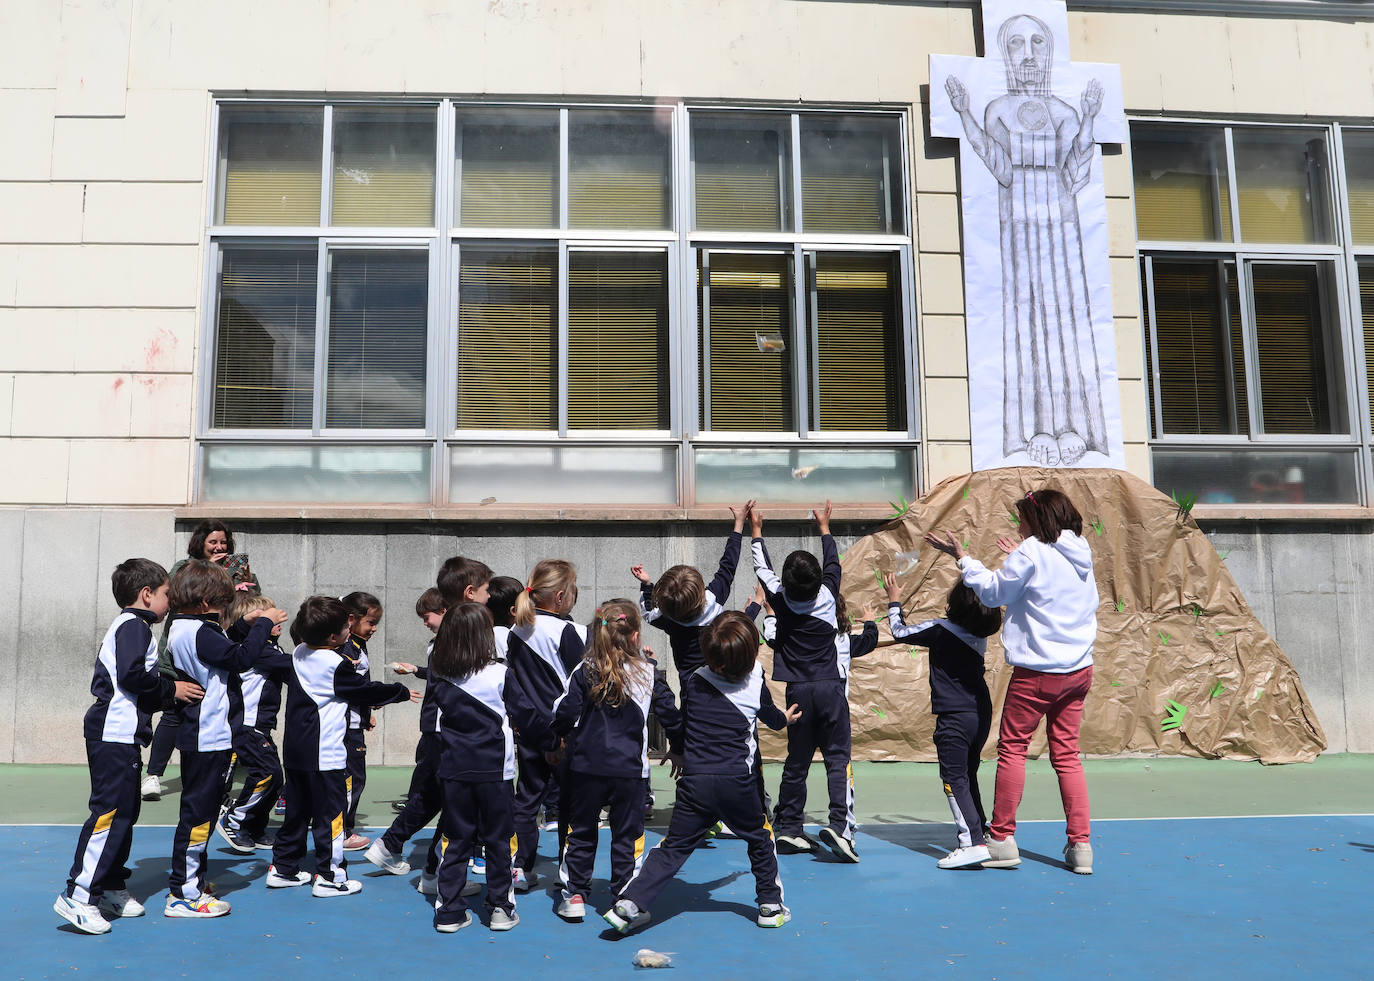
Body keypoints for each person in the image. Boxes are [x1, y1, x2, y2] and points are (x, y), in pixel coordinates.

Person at [925, 487, 1098, 874]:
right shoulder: (1079, 551)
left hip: (1038, 673)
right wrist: (1016, 554)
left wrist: (963, 558)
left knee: (1013, 750)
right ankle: (1081, 845)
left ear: (1036, 521)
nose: (1019, 525)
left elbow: (992, 591)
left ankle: (1001, 840)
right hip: (1079, 670)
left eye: (1022, 519)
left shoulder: (1031, 552)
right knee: (1067, 757)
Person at [603, 612, 800, 934]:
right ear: (751, 655)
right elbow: (770, 716)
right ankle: (770, 905)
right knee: (760, 839)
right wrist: (785, 719)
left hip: (695, 782)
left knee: (673, 848)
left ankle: (630, 903)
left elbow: (686, 720)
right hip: (738, 782)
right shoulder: (755, 678)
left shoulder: (695, 681)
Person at [55, 559, 205, 935]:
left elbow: (138, 685)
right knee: (109, 813)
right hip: (113, 735)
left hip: (124, 735)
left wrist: (168, 694)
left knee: (126, 811)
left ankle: (109, 885)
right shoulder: (134, 627)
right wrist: (172, 690)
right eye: (167, 594)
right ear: (146, 595)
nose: (171, 601)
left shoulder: (136, 628)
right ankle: (79, 892)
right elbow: (132, 676)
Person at [266, 596, 417, 898]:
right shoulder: (335, 664)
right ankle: (330, 876)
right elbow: (364, 690)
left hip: (295, 752)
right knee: (331, 815)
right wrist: (399, 691)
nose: (350, 630)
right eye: (346, 626)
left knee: (297, 813)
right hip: (325, 755)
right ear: (334, 636)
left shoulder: (297, 653)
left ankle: (283, 868)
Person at [550, 598, 683, 923]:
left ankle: (576, 895)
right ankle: (623, 895)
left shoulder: (585, 670)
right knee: (626, 836)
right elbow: (671, 716)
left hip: (586, 768)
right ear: (636, 637)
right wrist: (680, 747)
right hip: (629, 773)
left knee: (581, 832)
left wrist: (556, 738)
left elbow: (565, 712)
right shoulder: (648, 672)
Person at [164, 560, 283, 918]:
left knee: (204, 812)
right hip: (208, 735)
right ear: (204, 602)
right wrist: (263, 622)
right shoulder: (198, 631)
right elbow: (240, 659)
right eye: (222, 602)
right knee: (199, 815)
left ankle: (192, 880)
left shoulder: (191, 628)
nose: (226, 609)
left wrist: (245, 626)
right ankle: (183, 892)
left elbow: (223, 649)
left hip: (210, 734)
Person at [751, 500, 858, 863]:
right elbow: (834, 563)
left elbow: (761, 568)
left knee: (797, 761)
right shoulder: (828, 595)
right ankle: (840, 827)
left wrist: (756, 532)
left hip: (796, 691)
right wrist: (825, 527)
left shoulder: (779, 600)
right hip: (830, 688)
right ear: (817, 583)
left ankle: (790, 827)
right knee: (837, 758)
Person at [886, 575, 1003, 869]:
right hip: (980, 712)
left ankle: (971, 841)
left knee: (953, 778)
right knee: (967, 773)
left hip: (954, 717)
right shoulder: (979, 633)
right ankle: (982, 831)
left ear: (957, 604)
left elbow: (899, 631)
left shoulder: (941, 629)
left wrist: (894, 601)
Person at [142, 519, 259, 801]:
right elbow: (174, 598)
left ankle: (218, 776)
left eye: (223, 542)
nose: (219, 547)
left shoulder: (238, 570)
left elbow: (252, 602)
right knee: (173, 712)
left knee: (217, 709)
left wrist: (241, 587)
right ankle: (153, 775)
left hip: (221, 646)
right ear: (201, 544)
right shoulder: (185, 569)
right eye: (213, 542)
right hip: (184, 651)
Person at [428, 603, 520, 933]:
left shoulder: (440, 676)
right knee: (498, 840)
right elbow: (525, 714)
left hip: (454, 770)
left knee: (455, 840)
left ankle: (449, 912)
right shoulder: (500, 673)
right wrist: (554, 741)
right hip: (495, 772)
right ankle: (500, 908)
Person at [505, 559, 583, 891]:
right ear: (562, 596)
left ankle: (520, 867)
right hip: (566, 731)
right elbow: (583, 680)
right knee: (571, 804)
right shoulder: (569, 631)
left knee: (527, 798)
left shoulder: (515, 630)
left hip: (529, 730)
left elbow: (514, 684)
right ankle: (570, 873)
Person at [216, 591, 292, 854]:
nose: (277, 621)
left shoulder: (272, 649)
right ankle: (234, 819)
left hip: (261, 727)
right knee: (266, 774)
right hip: (247, 725)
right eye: (269, 618)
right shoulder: (256, 649)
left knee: (275, 778)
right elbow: (294, 667)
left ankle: (255, 826)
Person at [338, 591, 382, 851]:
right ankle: (343, 830)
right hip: (346, 726)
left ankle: (343, 828)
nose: (374, 629)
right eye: (371, 623)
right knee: (352, 779)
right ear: (351, 619)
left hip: (355, 721)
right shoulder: (345, 647)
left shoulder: (357, 644)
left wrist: (367, 711)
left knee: (352, 778)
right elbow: (348, 687)